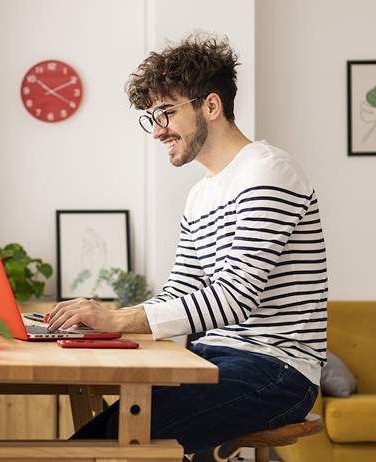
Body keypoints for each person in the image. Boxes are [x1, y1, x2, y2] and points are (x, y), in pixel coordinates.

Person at [45, 33, 327, 456]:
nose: (157, 131)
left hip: (276, 371)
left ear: (210, 106)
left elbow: (234, 298)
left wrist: (119, 320)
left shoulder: (269, 172)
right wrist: (103, 326)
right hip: (211, 358)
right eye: (151, 117)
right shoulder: (201, 194)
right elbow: (182, 291)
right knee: (97, 436)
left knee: (99, 445)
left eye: (165, 114)